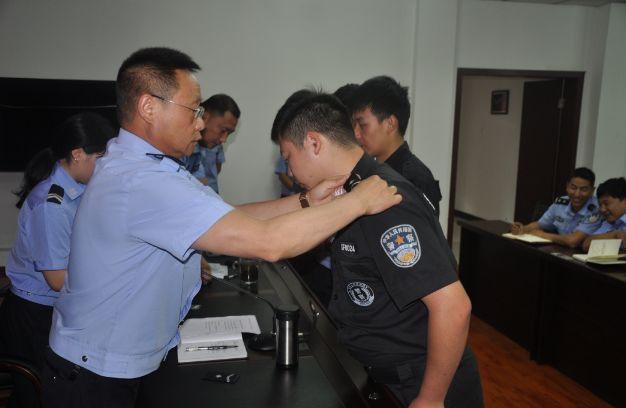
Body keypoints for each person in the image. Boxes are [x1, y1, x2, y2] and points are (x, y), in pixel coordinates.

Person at [41, 47, 401, 408]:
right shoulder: (142, 181)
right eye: (193, 110)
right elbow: (269, 243)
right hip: (95, 376)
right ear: (149, 107)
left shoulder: (146, 166)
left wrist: (306, 200)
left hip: (111, 363)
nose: (200, 123)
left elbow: (226, 214)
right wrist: (359, 201)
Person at [272, 91, 483, 408]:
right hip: (381, 375)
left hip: (421, 382)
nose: (289, 172)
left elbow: (453, 306)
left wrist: (430, 398)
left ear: (314, 143)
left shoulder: (384, 199)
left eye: (288, 157)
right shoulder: (349, 193)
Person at [0, 112, 114, 408]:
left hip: (57, 308)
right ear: (78, 154)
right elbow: (56, 279)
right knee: (39, 398)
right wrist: (112, 282)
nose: (105, 166)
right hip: (35, 315)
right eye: (100, 158)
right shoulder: (52, 204)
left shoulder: (82, 190)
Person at [352, 75, 442, 216]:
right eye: (355, 125)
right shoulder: (368, 169)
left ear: (390, 124)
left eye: (362, 125)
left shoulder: (416, 178)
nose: (356, 134)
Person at [511, 167, 603, 248]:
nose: (577, 194)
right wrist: (522, 229)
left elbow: (572, 241)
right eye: (573, 188)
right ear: (567, 187)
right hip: (560, 251)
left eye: (583, 189)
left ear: (592, 190)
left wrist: (542, 235)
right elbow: (540, 224)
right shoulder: (561, 203)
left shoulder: (596, 210)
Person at [184, 94, 239, 193]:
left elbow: (217, 169)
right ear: (205, 117)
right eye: (223, 130)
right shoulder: (182, 145)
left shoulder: (215, 145)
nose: (224, 139)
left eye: (229, 133)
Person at [582, 177, 626, 251]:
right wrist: (613, 235)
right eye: (600, 205)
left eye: (606, 204)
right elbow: (586, 245)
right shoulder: (609, 222)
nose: (602, 209)